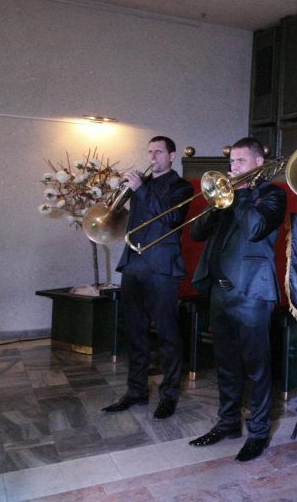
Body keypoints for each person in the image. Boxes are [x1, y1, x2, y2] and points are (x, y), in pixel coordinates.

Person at [188, 137, 286, 462]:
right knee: (226, 365)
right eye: (232, 162)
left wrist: (240, 194)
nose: (233, 168)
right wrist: (215, 205)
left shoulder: (272, 195)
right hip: (220, 292)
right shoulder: (226, 199)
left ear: (258, 163)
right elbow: (197, 234)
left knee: (257, 368)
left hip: (252, 294)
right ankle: (228, 423)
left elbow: (257, 228)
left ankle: (258, 432)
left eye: (241, 162)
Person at [104, 136, 193, 419]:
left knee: (168, 334)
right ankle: (136, 391)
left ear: (172, 156)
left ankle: (168, 395)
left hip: (162, 268)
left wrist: (140, 191)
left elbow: (169, 219)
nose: (152, 156)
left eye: (158, 151)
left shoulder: (182, 187)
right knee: (135, 333)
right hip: (134, 264)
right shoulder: (142, 185)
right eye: (149, 151)